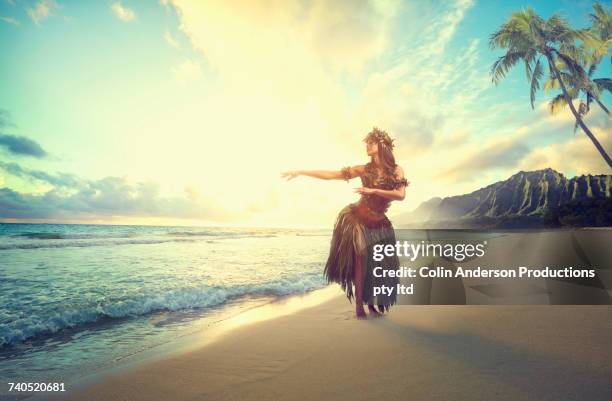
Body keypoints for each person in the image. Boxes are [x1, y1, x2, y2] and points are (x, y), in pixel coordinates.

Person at [281, 127, 409, 319]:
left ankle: (372, 302)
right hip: (357, 217)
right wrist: (301, 171)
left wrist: (374, 191)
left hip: (380, 222)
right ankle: (359, 306)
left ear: (382, 145)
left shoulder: (397, 170)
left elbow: (401, 195)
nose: (367, 145)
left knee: (378, 264)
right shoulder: (363, 169)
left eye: (371, 142)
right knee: (361, 255)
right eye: (367, 142)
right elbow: (332, 175)